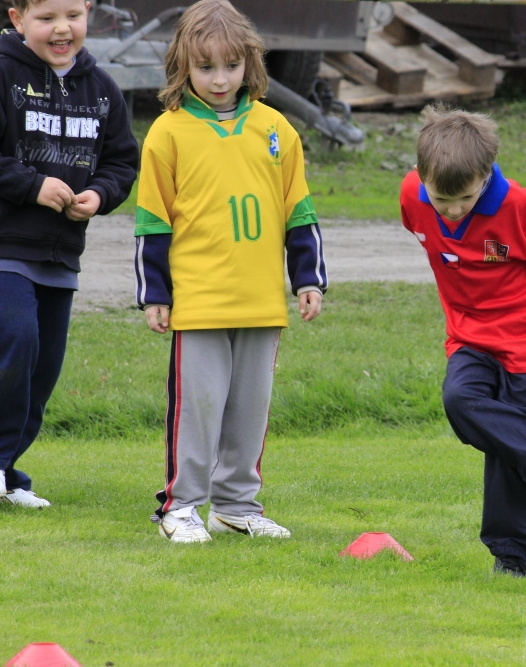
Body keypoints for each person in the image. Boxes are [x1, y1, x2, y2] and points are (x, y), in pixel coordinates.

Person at [133, 0, 327, 543]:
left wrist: (308, 279)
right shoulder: (167, 134)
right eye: (205, 67)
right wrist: (155, 292)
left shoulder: (276, 129)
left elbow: (300, 212)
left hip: (261, 302)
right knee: (198, 409)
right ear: (182, 67)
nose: (220, 79)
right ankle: (182, 506)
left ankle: (238, 505)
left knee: (248, 410)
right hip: (199, 303)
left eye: (231, 66)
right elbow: (152, 221)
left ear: (250, 64)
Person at [400, 105, 526, 576]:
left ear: (485, 175)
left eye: (466, 199)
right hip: (471, 337)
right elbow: (431, 235)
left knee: (509, 453)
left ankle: (512, 558)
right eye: (441, 199)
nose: (453, 210)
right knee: (460, 399)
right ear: (421, 176)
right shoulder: (412, 196)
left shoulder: (518, 205)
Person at [0, 0, 139, 508]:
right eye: (46, 18)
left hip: (61, 257)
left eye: (73, 15)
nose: (62, 29)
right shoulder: (3, 71)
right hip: (6, 247)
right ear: (17, 19)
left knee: (42, 368)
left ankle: (8, 473)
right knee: (16, 340)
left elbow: (123, 161)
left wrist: (99, 195)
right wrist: (30, 185)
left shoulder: (100, 88)